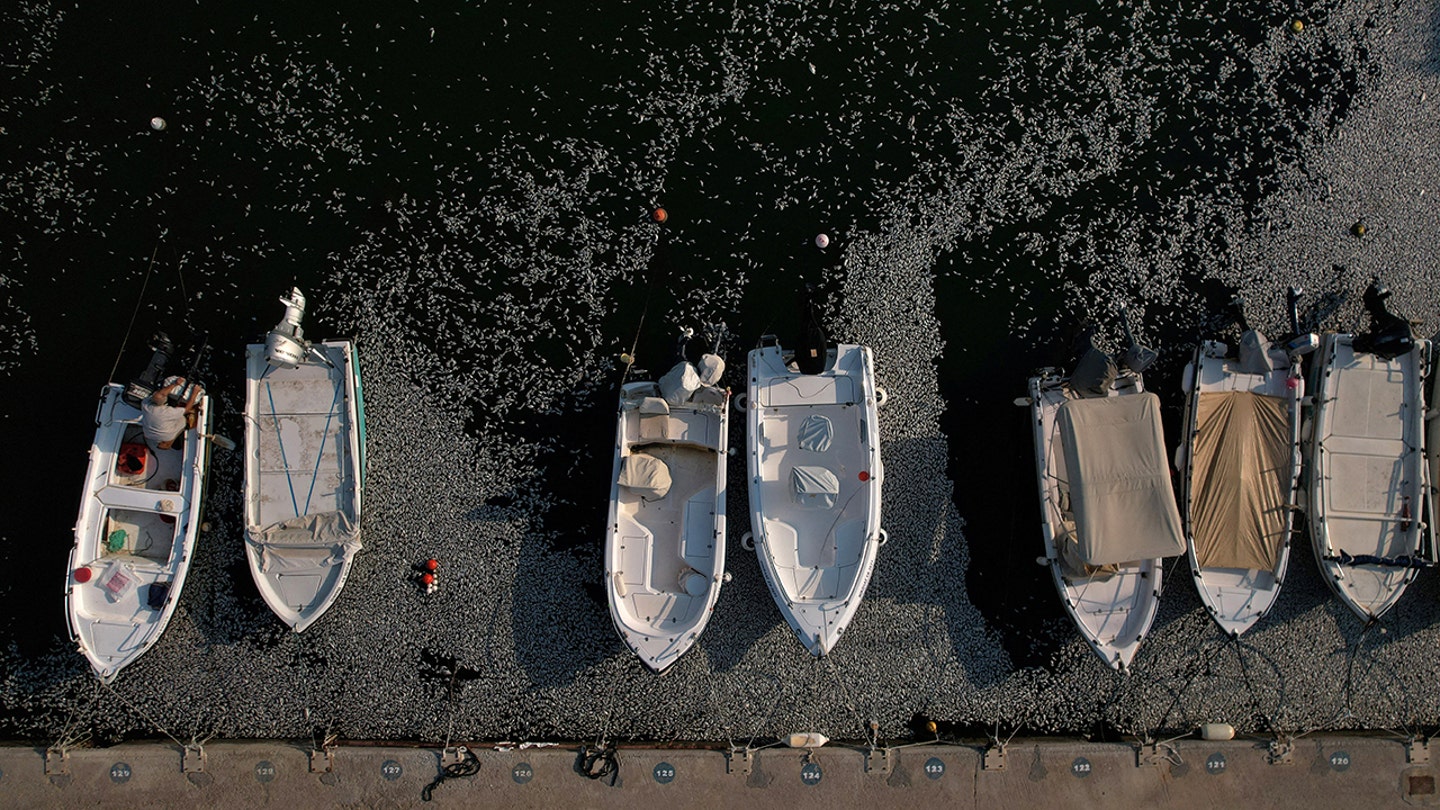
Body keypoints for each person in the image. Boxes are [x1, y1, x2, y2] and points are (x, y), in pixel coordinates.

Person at [141, 376, 202, 450]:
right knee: (183, 420)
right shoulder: (166, 413)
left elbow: (161, 395)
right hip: (160, 433)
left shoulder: (146, 404)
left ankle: (165, 443)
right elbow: (186, 409)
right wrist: (195, 393)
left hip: (154, 432)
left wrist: (175, 384)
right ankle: (168, 443)